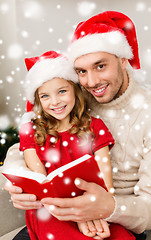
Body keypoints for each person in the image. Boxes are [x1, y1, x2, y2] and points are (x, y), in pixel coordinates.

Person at [4, 11, 151, 240]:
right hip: (59, 209)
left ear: (124, 60)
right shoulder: (73, 99)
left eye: (100, 66)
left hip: (115, 219)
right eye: (82, 71)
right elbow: (25, 144)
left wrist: (107, 208)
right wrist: (20, 181)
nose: (92, 82)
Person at [9, 50, 135, 240]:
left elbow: (106, 184)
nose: (55, 102)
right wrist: (76, 217)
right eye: (45, 96)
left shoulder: (95, 127)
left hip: (91, 204)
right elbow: (42, 186)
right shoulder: (30, 131)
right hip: (51, 209)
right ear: (37, 100)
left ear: (75, 91)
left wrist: (91, 214)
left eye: (62, 91)